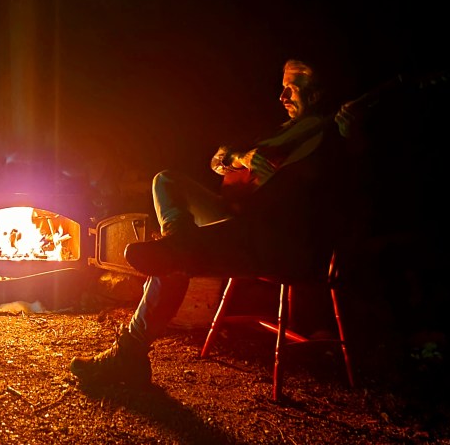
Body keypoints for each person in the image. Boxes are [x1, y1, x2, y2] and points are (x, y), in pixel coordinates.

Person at [70, 58, 354, 387]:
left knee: (174, 260)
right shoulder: (279, 131)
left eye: (291, 89)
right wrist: (242, 158)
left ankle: (129, 353)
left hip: (275, 239)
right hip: (237, 219)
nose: (281, 97)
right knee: (167, 180)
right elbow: (219, 157)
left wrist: (352, 137)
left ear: (315, 94)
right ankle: (178, 237)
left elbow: (350, 191)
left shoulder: (335, 138)